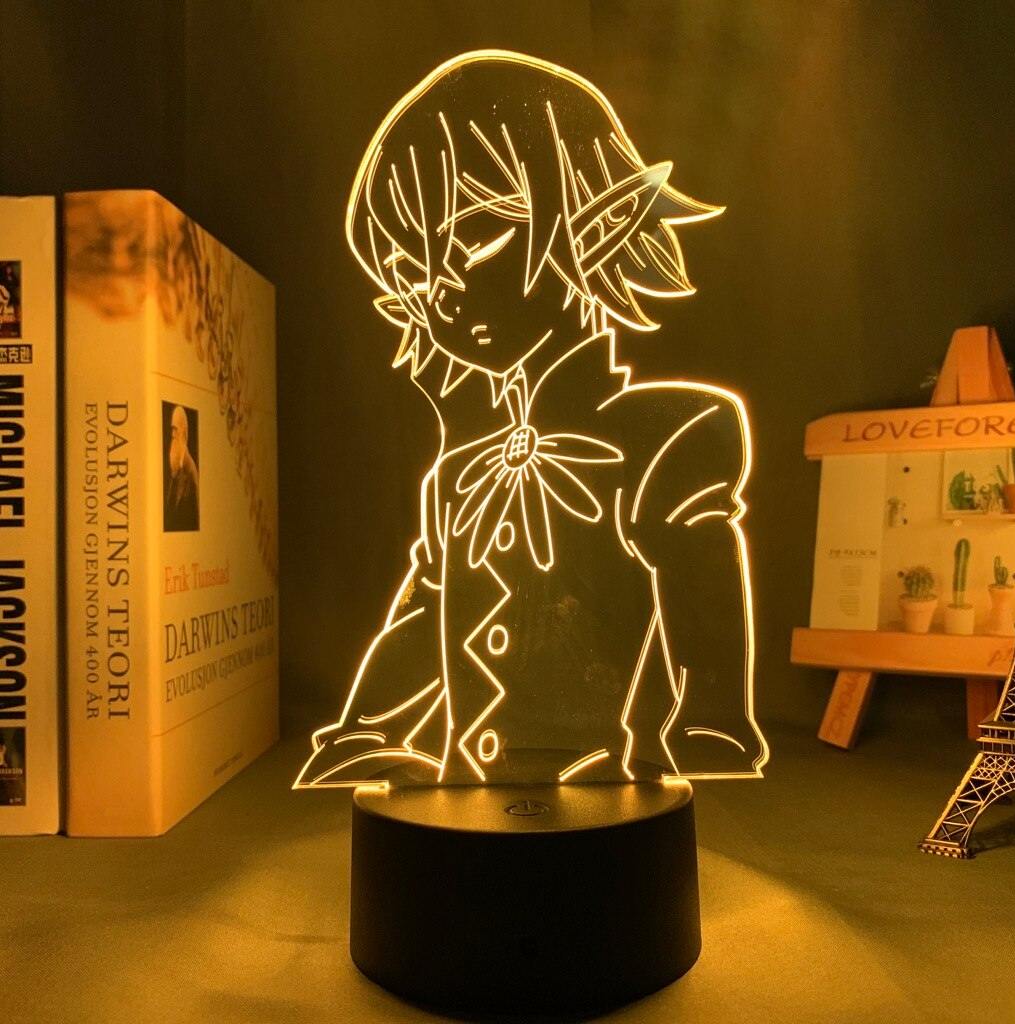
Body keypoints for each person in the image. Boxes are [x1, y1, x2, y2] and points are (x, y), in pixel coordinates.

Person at [295, 50, 767, 789]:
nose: (447, 293)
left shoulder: (671, 430)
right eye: (417, 277)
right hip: (465, 797)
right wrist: (363, 734)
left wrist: (710, 737)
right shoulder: (457, 474)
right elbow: (424, 616)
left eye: (473, 237)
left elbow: (702, 596)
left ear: (590, 221)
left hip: (603, 788)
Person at [165, 405, 199, 531]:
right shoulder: (176, 470)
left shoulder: (190, 470)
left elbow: (193, 519)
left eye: (175, 429)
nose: (172, 434)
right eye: (172, 429)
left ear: (183, 432)